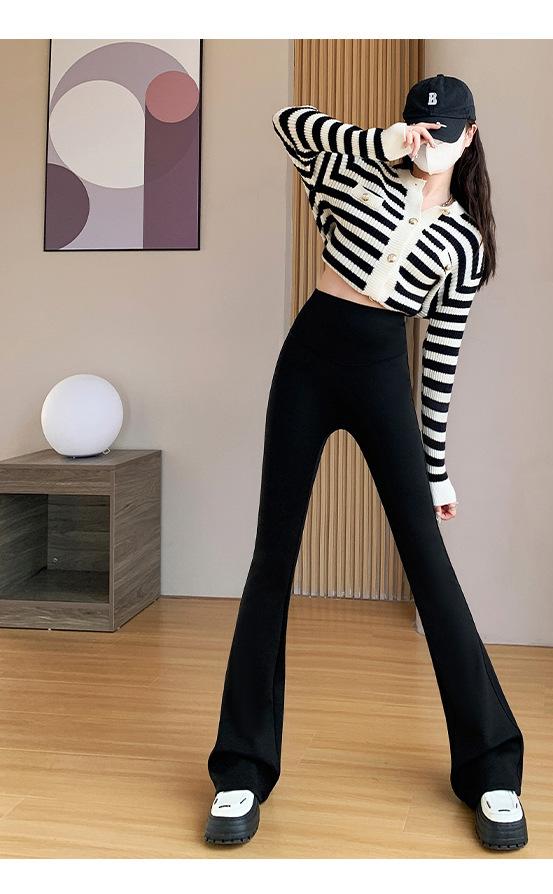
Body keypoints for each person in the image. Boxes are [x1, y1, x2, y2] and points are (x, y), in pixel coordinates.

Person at [204, 73, 527, 851]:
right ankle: (242, 768)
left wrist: (437, 467)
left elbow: (440, 361)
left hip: (383, 370)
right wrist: (381, 142)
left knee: (428, 563)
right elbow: (288, 123)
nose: (428, 143)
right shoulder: (356, 170)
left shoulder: (465, 241)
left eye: (443, 133)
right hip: (309, 360)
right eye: (419, 128)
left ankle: (491, 767)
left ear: (470, 135)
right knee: (273, 557)